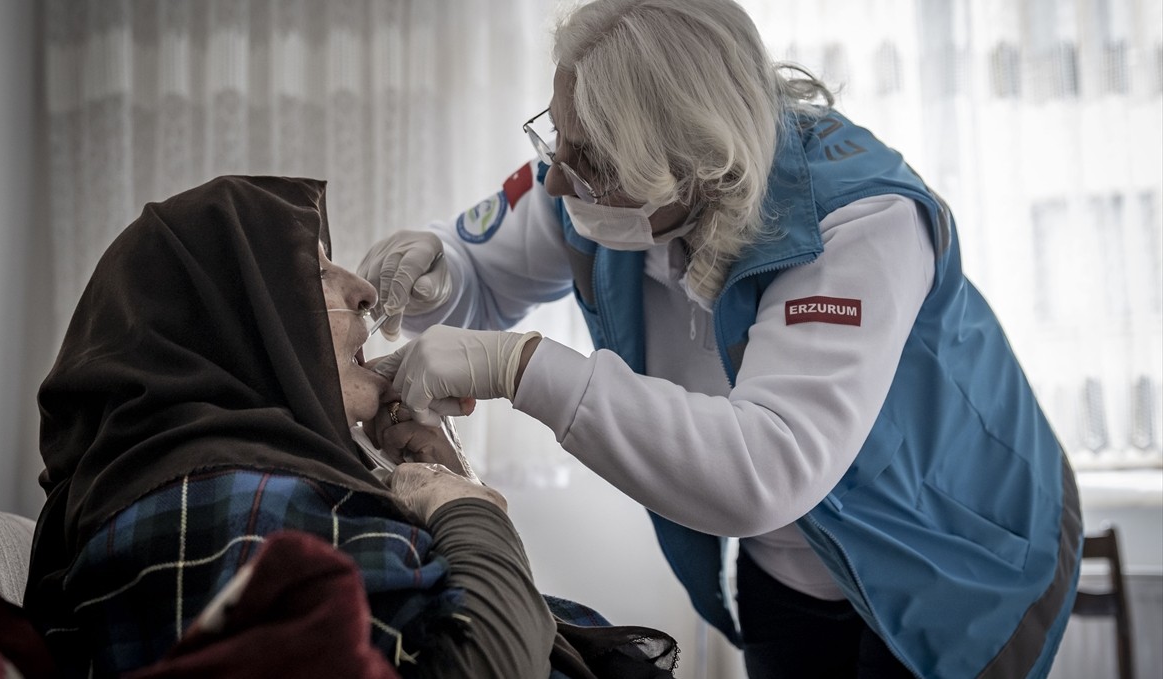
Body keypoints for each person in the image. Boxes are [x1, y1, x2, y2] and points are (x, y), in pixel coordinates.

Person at [356, 1, 1083, 677]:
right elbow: (484, 274)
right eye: (559, 137)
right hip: (792, 557)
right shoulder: (592, 180)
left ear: (694, 161)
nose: (557, 181)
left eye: (591, 161)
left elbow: (767, 463)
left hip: (955, 546)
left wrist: (520, 368)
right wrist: (440, 272)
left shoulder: (860, 222)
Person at [23, 175, 677, 678]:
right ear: (241, 329)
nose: (363, 287)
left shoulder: (243, 487)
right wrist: (468, 509)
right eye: (316, 271)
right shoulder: (227, 505)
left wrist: (451, 482)